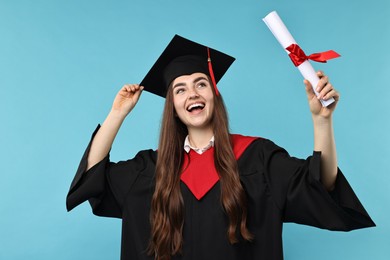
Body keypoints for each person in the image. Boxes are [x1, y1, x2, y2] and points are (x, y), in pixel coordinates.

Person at [66, 35, 375, 260]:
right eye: (180, 89)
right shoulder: (150, 169)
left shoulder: (258, 157)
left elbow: (322, 185)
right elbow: (93, 178)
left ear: (214, 94)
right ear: (172, 106)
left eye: (201, 83)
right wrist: (117, 114)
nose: (192, 93)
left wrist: (322, 122)